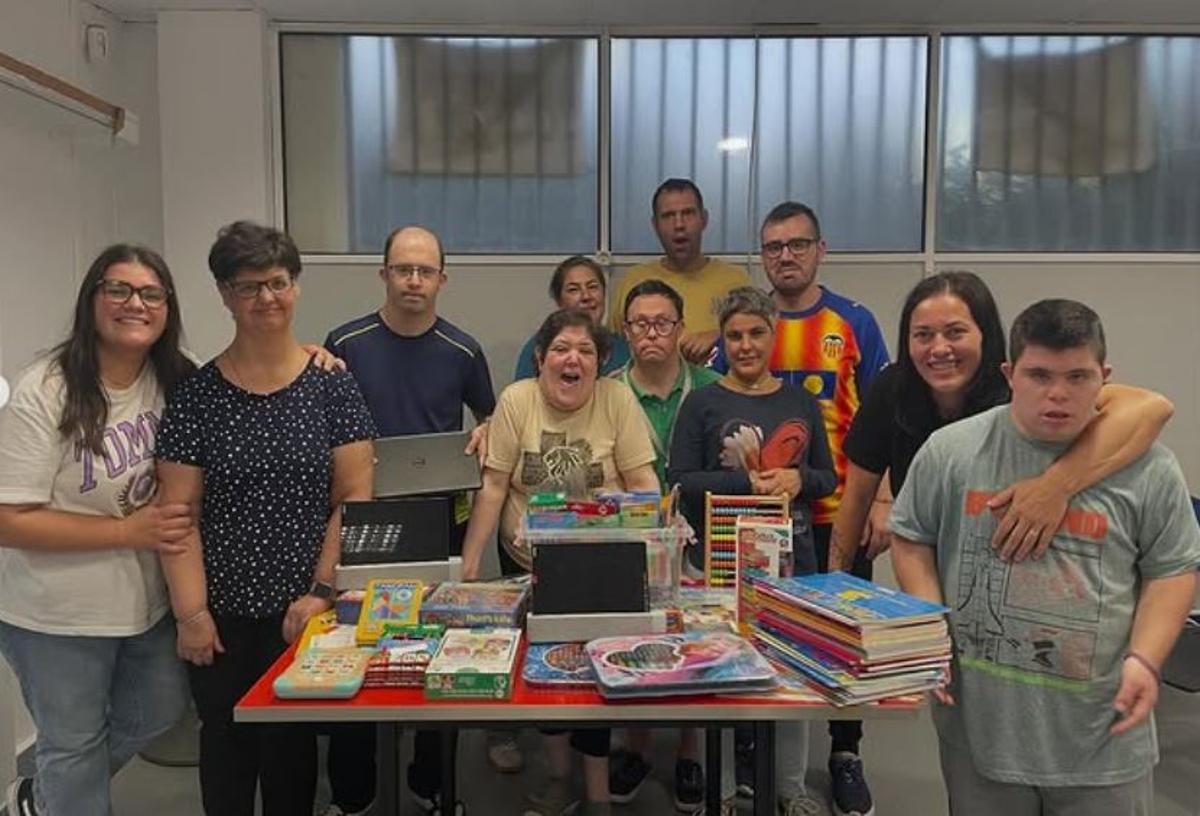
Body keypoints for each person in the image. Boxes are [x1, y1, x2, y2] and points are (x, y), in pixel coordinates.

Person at [889, 298, 1200, 816]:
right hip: (982, 737)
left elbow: (1172, 569)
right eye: (1038, 375)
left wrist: (1146, 659)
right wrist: (930, 626)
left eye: (1078, 377)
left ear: (1105, 376)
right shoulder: (951, 452)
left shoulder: (1151, 470)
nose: (1057, 394)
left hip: (1103, 741)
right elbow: (910, 536)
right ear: (1010, 374)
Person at [155, 221, 375, 816]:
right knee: (224, 755)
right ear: (225, 294)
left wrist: (322, 593)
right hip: (220, 618)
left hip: (300, 615)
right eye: (249, 287)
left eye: (278, 283)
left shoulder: (332, 386)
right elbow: (178, 515)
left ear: (296, 287)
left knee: (291, 758)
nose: (267, 299)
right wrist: (192, 615)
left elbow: (353, 499)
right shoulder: (196, 397)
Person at [0, 245, 194, 816]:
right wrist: (125, 533)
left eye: (150, 293)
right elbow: (8, 518)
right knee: (74, 745)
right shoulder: (47, 390)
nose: (135, 303)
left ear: (167, 308)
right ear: (92, 301)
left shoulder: (174, 376)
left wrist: (312, 358)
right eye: (119, 290)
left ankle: (44, 793)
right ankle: (61, 791)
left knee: (159, 709)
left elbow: (243, 381)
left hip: (144, 603)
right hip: (55, 616)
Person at [711, 201, 889, 813]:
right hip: (756, 525)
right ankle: (755, 766)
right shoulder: (743, 325)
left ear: (820, 249)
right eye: (772, 247)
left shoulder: (855, 322)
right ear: (761, 256)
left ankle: (845, 752)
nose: (785, 256)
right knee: (762, 644)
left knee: (840, 645)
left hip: (838, 511)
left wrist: (882, 499)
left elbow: (879, 417)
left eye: (797, 244)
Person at [324, 224, 495, 812]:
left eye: (425, 271)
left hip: (440, 516)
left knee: (438, 649)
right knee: (351, 646)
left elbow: (492, 418)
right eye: (403, 269)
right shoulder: (344, 343)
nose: (414, 280)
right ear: (384, 274)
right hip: (362, 518)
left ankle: (431, 783)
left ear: (442, 279)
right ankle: (354, 794)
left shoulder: (464, 350)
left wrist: (486, 437)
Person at [461, 309, 658, 816]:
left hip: (601, 566)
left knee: (591, 677)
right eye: (562, 349)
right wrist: (467, 567)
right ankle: (557, 778)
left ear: (599, 362)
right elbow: (495, 486)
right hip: (527, 562)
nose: (574, 360)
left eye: (586, 351)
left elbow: (643, 485)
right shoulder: (516, 400)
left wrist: (652, 562)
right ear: (541, 358)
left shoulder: (617, 399)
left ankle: (596, 794)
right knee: (544, 672)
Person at [669, 286, 837, 816]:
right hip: (721, 564)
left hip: (793, 562)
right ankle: (720, 788)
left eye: (756, 333)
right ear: (722, 339)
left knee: (793, 676)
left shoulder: (800, 400)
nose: (745, 345)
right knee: (718, 675)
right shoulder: (702, 401)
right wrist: (742, 479)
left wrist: (795, 477)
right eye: (734, 335)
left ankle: (790, 787)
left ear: (774, 334)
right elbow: (678, 480)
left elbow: (827, 478)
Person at [604, 279, 719, 812]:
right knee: (633, 636)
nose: (651, 333)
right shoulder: (606, 392)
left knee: (697, 636)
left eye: (663, 323)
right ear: (625, 332)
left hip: (705, 535)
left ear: (679, 328)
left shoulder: (714, 387)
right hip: (629, 539)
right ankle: (636, 744)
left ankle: (692, 750)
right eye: (640, 324)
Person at [610, 179, 750, 364]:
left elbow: (757, 339)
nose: (679, 225)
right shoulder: (634, 282)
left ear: (704, 219)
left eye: (688, 213)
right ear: (655, 225)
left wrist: (720, 337)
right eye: (668, 216)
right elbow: (614, 350)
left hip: (719, 389)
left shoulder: (736, 281)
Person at [514, 256, 630, 380]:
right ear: (559, 302)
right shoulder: (539, 348)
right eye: (574, 289)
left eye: (593, 287)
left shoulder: (624, 349)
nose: (586, 296)